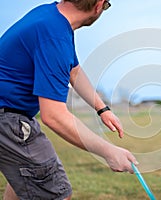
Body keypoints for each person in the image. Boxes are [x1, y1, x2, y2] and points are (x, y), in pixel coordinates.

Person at [0, 0, 138, 199]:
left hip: (8, 115)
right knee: (57, 194)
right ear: (98, 5)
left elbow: (74, 71)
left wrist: (102, 109)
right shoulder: (54, 36)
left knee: (24, 184)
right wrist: (109, 151)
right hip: (8, 120)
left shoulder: (50, 16)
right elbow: (54, 116)